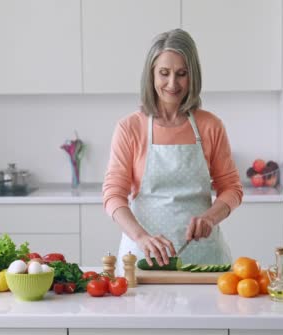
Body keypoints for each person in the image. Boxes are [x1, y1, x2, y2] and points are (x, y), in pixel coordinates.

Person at [102, 28, 243, 274]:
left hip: (203, 257)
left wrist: (210, 217)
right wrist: (141, 237)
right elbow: (113, 195)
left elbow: (232, 188)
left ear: (193, 76)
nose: (172, 84)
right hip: (142, 257)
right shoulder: (130, 128)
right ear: (151, 75)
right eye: (164, 73)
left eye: (181, 74)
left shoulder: (210, 125)